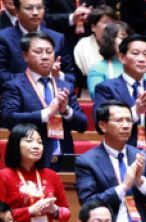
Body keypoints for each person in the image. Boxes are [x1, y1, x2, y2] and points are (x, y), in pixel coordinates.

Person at [73, 104, 146, 222]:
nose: (126, 125)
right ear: (103, 125)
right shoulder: (87, 161)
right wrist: (124, 187)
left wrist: (140, 181)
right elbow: (88, 203)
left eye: (129, 120)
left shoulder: (140, 156)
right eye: (119, 120)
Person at [0, 35, 86, 168]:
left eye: (49, 52)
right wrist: (46, 114)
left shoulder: (65, 86)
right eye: (38, 52)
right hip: (31, 160)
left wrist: (66, 111)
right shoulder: (14, 85)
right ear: (25, 56)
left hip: (64, 158)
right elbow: (9, 118)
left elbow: (83, 125)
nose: (45, 57)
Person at [0, 124, 70, 222]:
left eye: (39, 142)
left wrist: (54, 210)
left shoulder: (51, 175)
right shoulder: (4, 176)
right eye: (29, 141)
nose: (36, 146)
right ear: (15, 145)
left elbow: (66, 213)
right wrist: (30, 210)